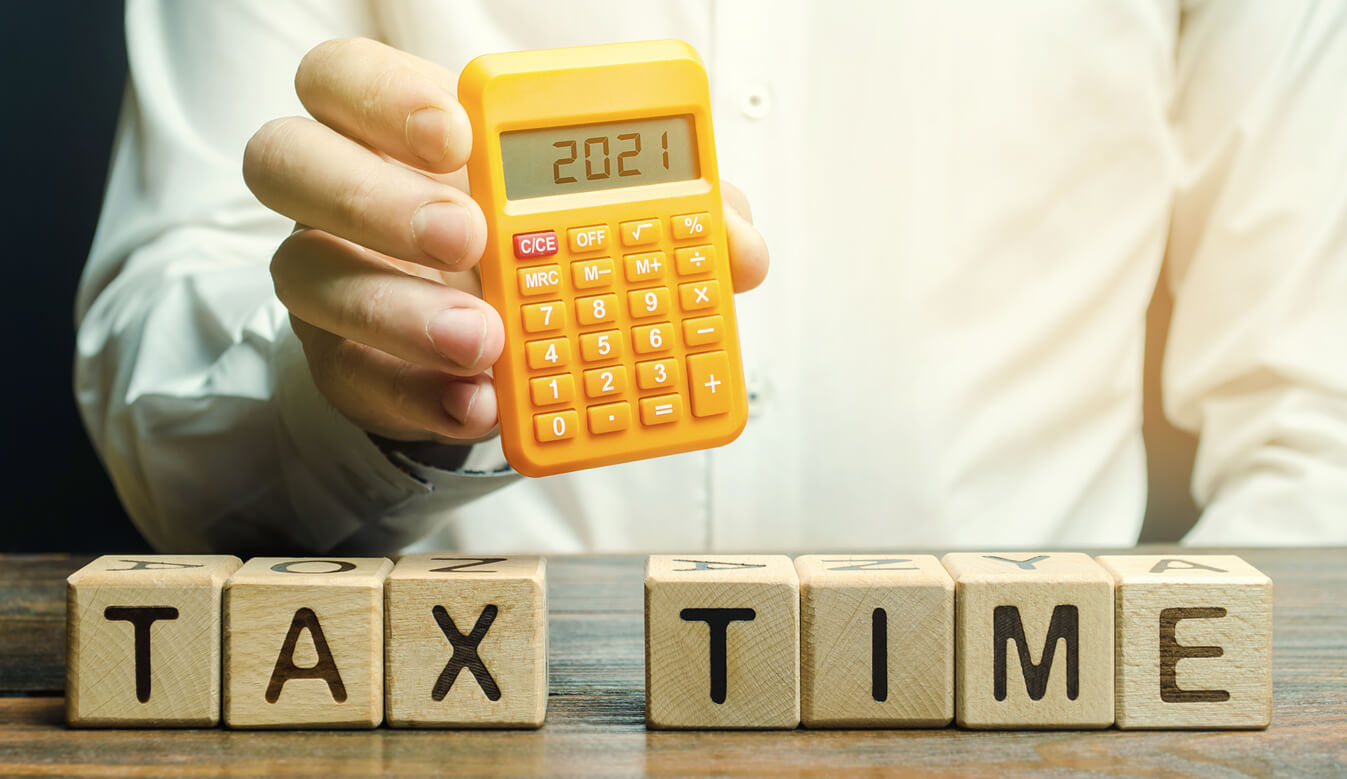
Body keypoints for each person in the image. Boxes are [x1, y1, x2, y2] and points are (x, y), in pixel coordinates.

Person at [77, 1, 1347, 555]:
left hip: (1032, 723)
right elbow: (161, 384)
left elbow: (1321, 434)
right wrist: (345, 400)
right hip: (463, 718)